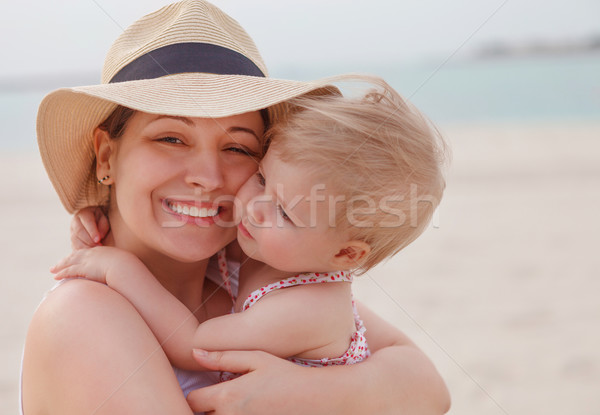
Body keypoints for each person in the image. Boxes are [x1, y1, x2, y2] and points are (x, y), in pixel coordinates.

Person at [22, 1, 450, 414]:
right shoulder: (82, 315)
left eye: (237, 147)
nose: (208, 177)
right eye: (171, 138)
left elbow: (429, 388)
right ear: (106, 157)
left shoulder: (245, 272)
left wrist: (312, 394)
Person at [51, 79, 447, 379]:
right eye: (260, 178)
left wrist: (118, 268)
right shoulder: (259, 254)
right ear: (105, 155)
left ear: (345, 255)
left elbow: (195, 345)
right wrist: (99, 224)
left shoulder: (310, 305)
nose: (254, 210)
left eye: (238, 149)